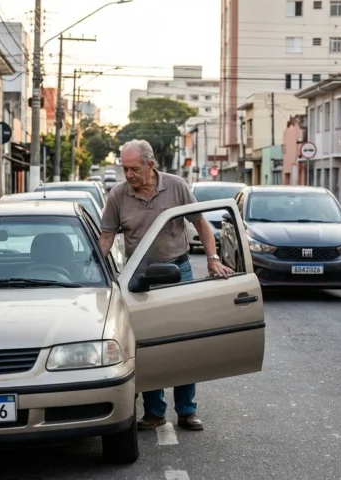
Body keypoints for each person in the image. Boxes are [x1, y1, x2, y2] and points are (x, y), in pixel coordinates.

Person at [98, 139, 232, 432]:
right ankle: (154, 412)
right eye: (125, 168)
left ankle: (187, 410)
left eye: (134, 168)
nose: (128, 174)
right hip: (140, 278)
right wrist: (94, 270)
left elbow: (201, 224)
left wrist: (212, 258)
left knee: (184, 344)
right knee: (146, 345)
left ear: (151, 164)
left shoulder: (176, 186)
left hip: (177, 272)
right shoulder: (118, 195)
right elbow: (106, 236)